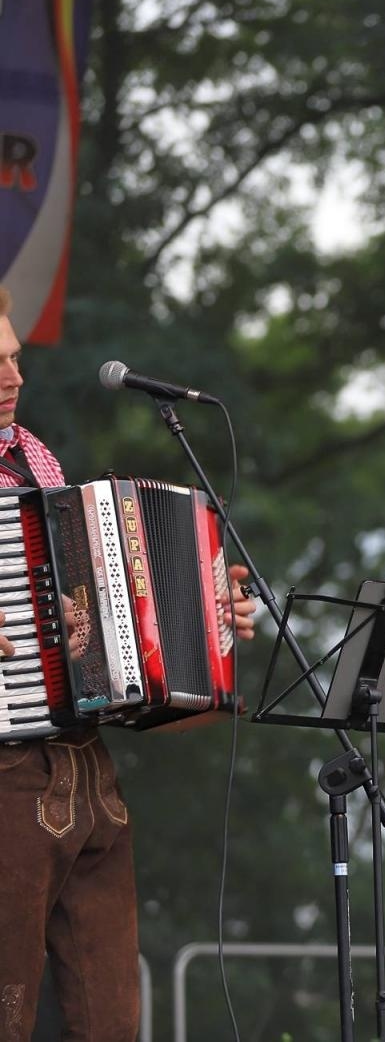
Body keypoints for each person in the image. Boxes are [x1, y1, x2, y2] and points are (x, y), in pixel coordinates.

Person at [0, 283, 258, 1041]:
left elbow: (85, 619)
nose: (12, 377)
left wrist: (208, 619)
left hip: (86, 775)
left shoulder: (33, 458)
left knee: (111, 1022)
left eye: (13, 358)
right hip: (5, 779)